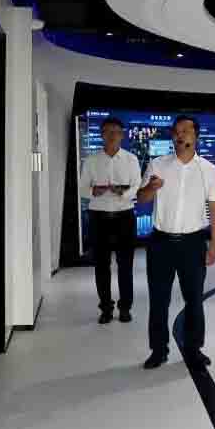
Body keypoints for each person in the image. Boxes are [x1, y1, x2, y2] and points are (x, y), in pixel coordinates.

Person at [137, 115, 215, 370]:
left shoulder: (208, 169)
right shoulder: (157, 165)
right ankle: (158, 350)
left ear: (196, 136)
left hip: (193, 243)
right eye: (177, 130)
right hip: (161, 242)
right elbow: (141, 199)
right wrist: (151, 188)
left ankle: (194, 349)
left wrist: (214, 245)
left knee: (194, 299)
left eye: (186, 130)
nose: (180, 134)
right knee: (158, 300)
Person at [79, 117, 142, 324]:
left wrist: (123, 193)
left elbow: (137, 186)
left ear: (122, 135)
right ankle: (105, 308)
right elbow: (82, 188)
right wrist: (93, 191)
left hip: (124, 217)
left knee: (125, 266)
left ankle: (125, 308)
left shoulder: (131, 159)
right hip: (99, 218)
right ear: (102, 135)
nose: (112, 135)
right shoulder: (91, 160)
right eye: (108, 131)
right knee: (101, 265)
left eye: (116, 131)